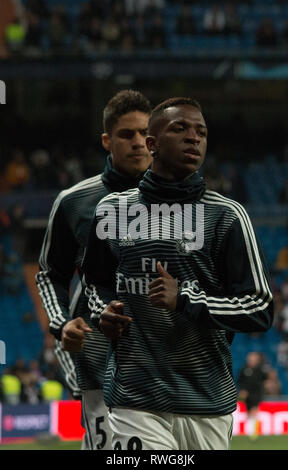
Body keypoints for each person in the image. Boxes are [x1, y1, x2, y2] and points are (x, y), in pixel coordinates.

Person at [83, 97, 274, 450]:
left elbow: (259, 308)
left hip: (206, 401)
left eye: (201, 132)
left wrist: (186, 299)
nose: (193, 138)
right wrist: (102, 311)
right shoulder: (112, 210)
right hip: (134, 395)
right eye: (180, 129)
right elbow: (95, 282)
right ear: (152, 144)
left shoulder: (228, 216)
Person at [35, 89, 152, 449]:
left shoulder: (185, 203)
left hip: (162, 354)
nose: (138, 143)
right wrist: (61, 324)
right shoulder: (74, 201)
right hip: (96, 352)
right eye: (126, 134)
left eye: (146, 135)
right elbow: (49, 275)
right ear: (106, 140)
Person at [237, 352, 268, 438]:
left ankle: (254, 432)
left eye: (253, 359)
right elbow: (239, 381)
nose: (251, 361)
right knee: (248, 412)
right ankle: (250, 430)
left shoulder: (260, 370)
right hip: (247, 395)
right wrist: (242, 390)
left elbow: (265, 379)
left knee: (255, 410)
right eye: (250, 359)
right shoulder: (244, 369)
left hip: (257, 393)